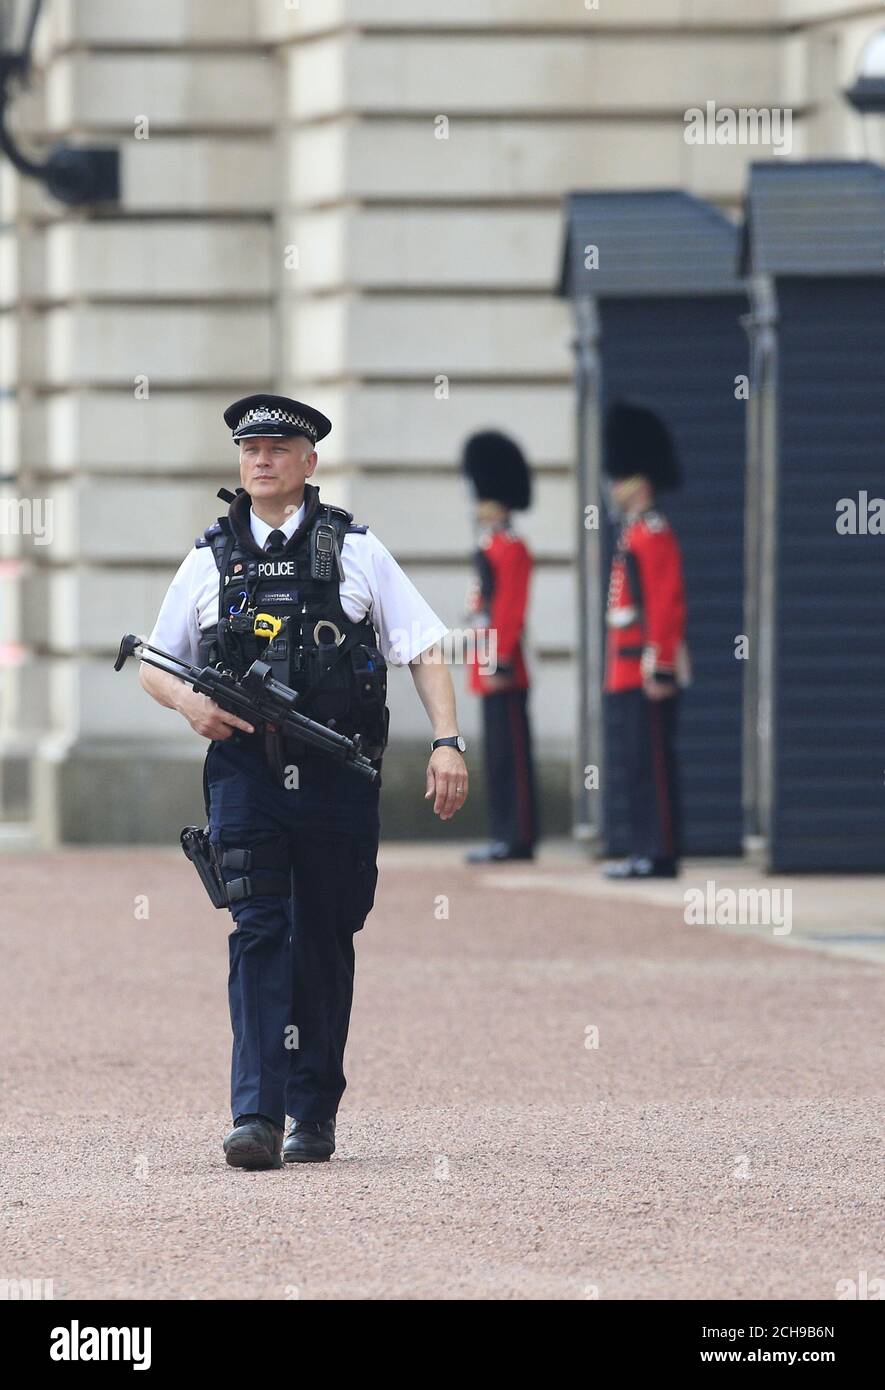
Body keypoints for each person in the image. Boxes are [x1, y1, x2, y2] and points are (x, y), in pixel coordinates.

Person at [139, 392, 469, 1169]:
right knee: (258, 931)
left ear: (308, 461)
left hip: (334, 775)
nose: (262, 461)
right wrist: (192, 705)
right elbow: (155, 663)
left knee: (323, 935)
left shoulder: (352, 550)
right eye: (251, 450)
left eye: (279, 449)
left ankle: (312, 1110)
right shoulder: (208, 558)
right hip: (244, 774)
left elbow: (421, 646)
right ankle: (256, 1113)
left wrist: (447, 741)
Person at [602, 402, 687, 880]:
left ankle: (660, 850)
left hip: (645, 667)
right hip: (626, 666)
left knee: (653, 763)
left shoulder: (652, 533)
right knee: (638, 764)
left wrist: (660, 664)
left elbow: (665, 604)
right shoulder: (633, 532)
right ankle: (643, 847)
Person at [462, 430, 538, 863]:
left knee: (513, 756)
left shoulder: (510, 548)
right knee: (497, 756)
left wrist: (497, 660)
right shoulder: (492, 545)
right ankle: (503, 833)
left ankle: (518, 836)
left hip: (502, 667)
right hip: (488, 662)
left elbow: (509, 611)